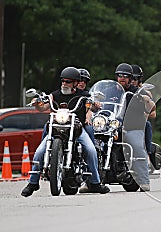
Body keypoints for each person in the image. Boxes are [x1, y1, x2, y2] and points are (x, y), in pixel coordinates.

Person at [21, 67, 110, 197]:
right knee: (39, 152)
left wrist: (95, 104)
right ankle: (33, 183)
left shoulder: (83, 95)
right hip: (57, 128)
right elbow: (43, 107)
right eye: (63, 81)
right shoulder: (55, 95)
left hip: (77, 129)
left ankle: (95, 183)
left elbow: (91, 107)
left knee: (90, 150)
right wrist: (37, 103)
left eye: (68, 82)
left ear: (75, 83)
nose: (64, 84)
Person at [116, 63, 155, 191]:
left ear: (130, 78)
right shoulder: (113, 91)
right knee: (97, 145)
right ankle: (90, 182)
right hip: (114, 127)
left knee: (137, 146)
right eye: (119, 75)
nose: (122, 78)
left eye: (125, 76)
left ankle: (144, 181)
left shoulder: (138, 91)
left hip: (133, 127)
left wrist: (147, 100)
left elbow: (152, 108)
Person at [130, 64, 156, 167]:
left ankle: (148, 154)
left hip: (138, 120)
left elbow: (153, 113)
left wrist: (144, 114)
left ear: (139, 79)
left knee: (147, 125)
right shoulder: (121, 91)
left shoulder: (145, 93)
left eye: (135, 79)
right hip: (121, 120)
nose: (132, 81)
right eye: (130, 78)